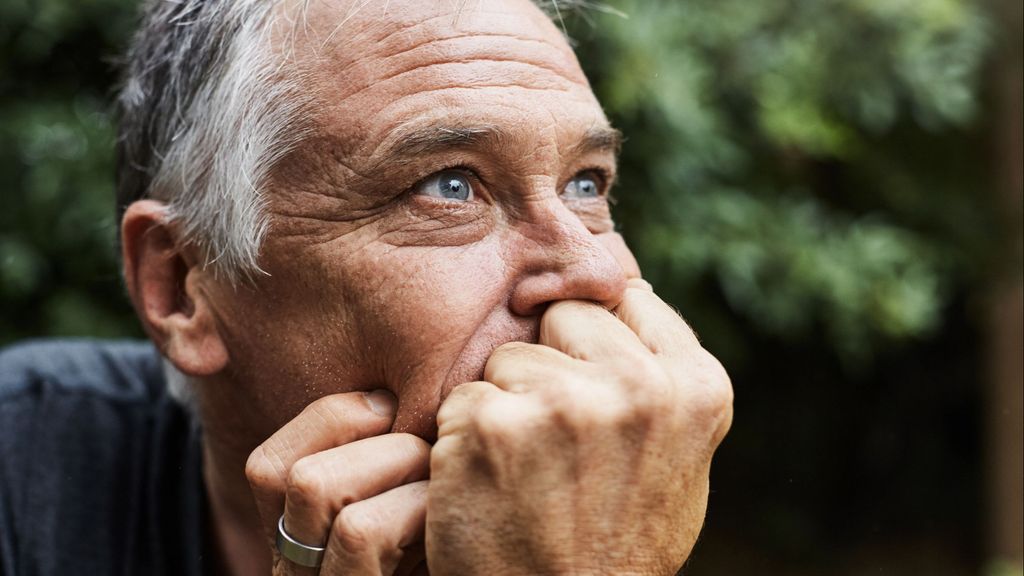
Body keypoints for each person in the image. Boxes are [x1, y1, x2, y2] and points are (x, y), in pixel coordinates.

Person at [0, 0, 733, 574]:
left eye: (585, 184)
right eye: (449, 186)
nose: (601, 273)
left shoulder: (635, 525)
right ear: (186, 286)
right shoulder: (22, 472)